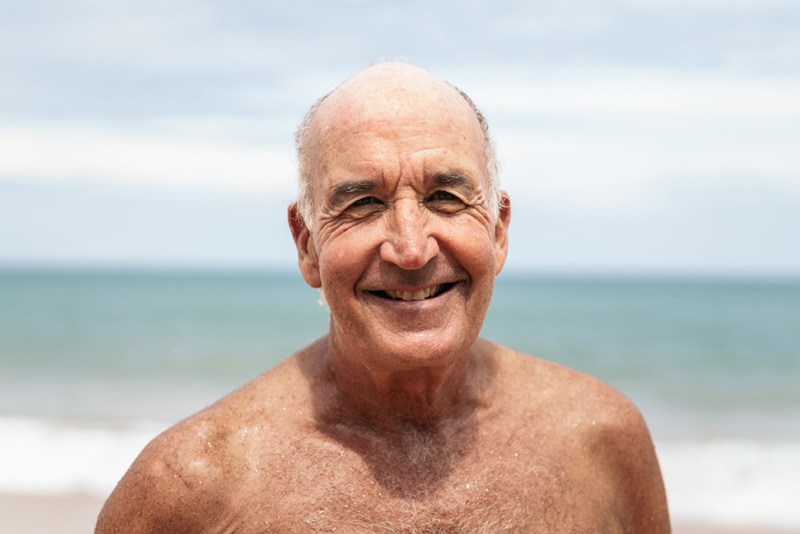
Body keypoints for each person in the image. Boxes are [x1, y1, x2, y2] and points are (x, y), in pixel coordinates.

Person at [96, 62, 670, 533]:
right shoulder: (189, 491)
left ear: (497, 230)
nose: (411, 249)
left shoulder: (602, 439)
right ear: (307, 245)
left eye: (446, 195)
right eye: (363, 203)